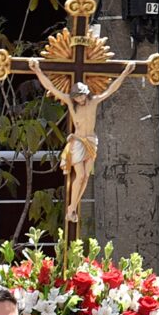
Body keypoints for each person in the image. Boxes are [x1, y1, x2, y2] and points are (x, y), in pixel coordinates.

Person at [27, 57, 137, 224]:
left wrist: (125, 72)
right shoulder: (71, 104)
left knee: (86, 177)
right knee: (80, 176)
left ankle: (72, 209)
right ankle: (71, 208)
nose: (79, 99)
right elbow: (51, 87)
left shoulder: (94, 102)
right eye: (77, 97)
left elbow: (111, 89)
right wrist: (37, 70)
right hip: (78, 141)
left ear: (86, 93)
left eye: (81, 96)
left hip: (91, 141)